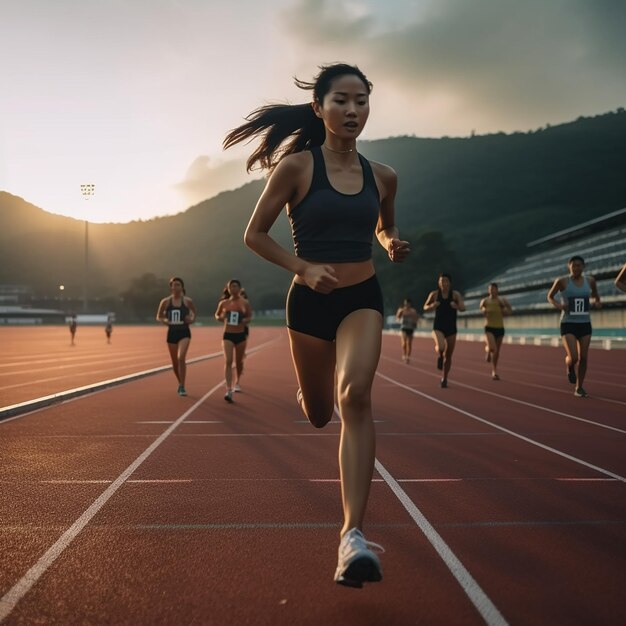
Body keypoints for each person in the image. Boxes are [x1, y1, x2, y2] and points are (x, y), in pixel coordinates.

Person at [224, 63, 410, 587]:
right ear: (319, 108)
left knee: (355, 398)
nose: (353, 111)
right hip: (308, 304)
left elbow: (385, 221)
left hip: (362, 298)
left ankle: (351, 536)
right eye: (341, 101)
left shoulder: (384, 176)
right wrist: (303, 268)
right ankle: (313, 395)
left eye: (361, 101)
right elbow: (254, 235)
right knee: (321, 414)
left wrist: (391, 241)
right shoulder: (297, 168)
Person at [547, 256, 601, 397]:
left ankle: (579, 387)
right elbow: (550, 296)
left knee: (584, 357)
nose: (576, 268)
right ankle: (569, 365)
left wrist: (597, 302)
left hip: (584, 323)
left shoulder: (590, 281)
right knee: (574, 357)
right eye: (574, 265)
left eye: (579, 265)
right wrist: (560, 306)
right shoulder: (562, 281)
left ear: (583, 267)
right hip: (568, 323)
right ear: (569, 266)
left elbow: (596, 296)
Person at [156, 277, 197, 396]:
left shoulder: (187, 301)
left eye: (178, 285)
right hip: (172, 333)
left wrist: (191, 319)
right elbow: (158, 316)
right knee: (175, 363)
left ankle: (183, 386)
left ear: (182, 287)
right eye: (173, 285)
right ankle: (180, 382)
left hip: (184, 332)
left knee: (181, 358)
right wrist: (164, 320)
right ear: (171, 287)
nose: (175, 287)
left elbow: (194, 313)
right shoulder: (165, 302)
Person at [423, 273, 465, 388]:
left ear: (449, 283)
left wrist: (456, 306)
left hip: (451, 328)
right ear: (439, 283)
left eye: (446, 281)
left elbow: (463, 308)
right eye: (441, 281)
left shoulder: (455, 295)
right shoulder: (435, 295)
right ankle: (440, 354)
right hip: (438, 327)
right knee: (441, 347)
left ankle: (445, 378)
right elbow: (425, 307)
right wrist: (432, 306)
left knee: (449, 355)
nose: (443, 283)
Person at [215, 279, 252, 402]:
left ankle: (238, 381)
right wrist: (221, 318)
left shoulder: (244, 303)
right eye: (231, 287)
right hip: (228, 335)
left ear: (239, 288)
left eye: (236, 286)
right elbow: (217, 315)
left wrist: (244, 321)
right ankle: (228, 389)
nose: (233, 289)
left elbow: (249, 317)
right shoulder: (224, 303)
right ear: (228, 289)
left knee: (239, 361)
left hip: (240, 335)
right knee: (228, 361)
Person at [479, 283, 512, 380]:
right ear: (488, 290)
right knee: (493, 348)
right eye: (490, 289)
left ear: (497, 290)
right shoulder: (485, 301)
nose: (492, 291)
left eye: (494, 289)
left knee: (497, 351)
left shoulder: (501, 301)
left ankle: (494, 371)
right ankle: (488, 350)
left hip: (500, 328)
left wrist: (506, 310)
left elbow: (509, 311)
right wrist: (484, 310)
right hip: (489, 327)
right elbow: (481, 309)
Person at [395, 298, 419, 363]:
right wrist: (400, 314)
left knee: (409, 343)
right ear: (404, 304)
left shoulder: (413, 311)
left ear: (410, 304)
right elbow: (397, 318)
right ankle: (404, 354)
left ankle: (408, 356)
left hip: (410, 328)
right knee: (404, 343)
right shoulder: (401, 310)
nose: (407, 305)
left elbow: (416, 319)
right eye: (405, 303)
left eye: (408, 304)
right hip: (404, 328)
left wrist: (414, 320)